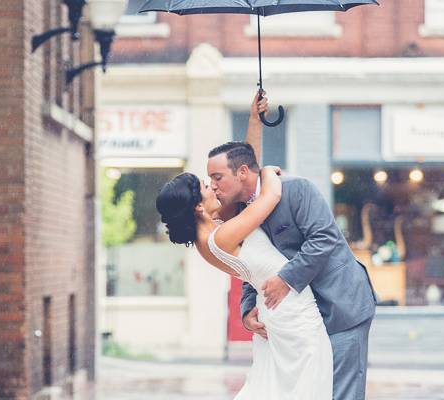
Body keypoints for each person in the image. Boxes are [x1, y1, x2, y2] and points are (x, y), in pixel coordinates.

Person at [156, 92, 333, 399]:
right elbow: (268, 196)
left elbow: (242, 173)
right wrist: (265, 171)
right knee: (305, 387)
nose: (212, 186)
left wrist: (254, 120)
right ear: (197, 208)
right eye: (205, 186)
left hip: (278, 309)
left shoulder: (212, 232)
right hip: (291, 312)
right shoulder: (220, 236)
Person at [207, 98, 378, 400]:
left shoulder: (297, 189)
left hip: (341, 307)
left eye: (217, 178)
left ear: (243, 172)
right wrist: (247, 308)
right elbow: (255, 266)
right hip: (299, 323)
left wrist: (286, 278)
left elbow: (324, 239)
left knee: (340, 394)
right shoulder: (244, 214)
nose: (214, 186)